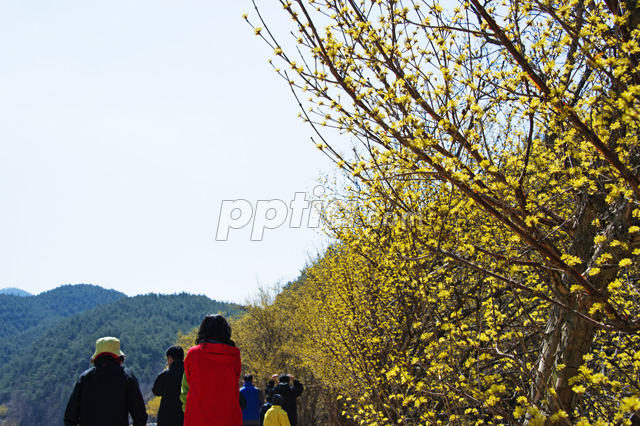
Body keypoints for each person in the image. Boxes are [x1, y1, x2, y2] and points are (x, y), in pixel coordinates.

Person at [63, 336, 148, 426]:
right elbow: (140, 415)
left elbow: (70, 417)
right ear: (119, 357)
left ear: (96, 357)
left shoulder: (85, 377)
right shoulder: (126, 376)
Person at [181, 314, 242, 426]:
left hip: (198, 418)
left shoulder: (193, 354)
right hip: (229, 418)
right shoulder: (234, 355)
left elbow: (187, 384)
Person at [152, 345, 185, 426]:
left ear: (170, 358)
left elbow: (156, 392)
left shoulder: (164, 375)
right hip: (184, 416)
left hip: (166, 418)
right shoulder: (189, 374)